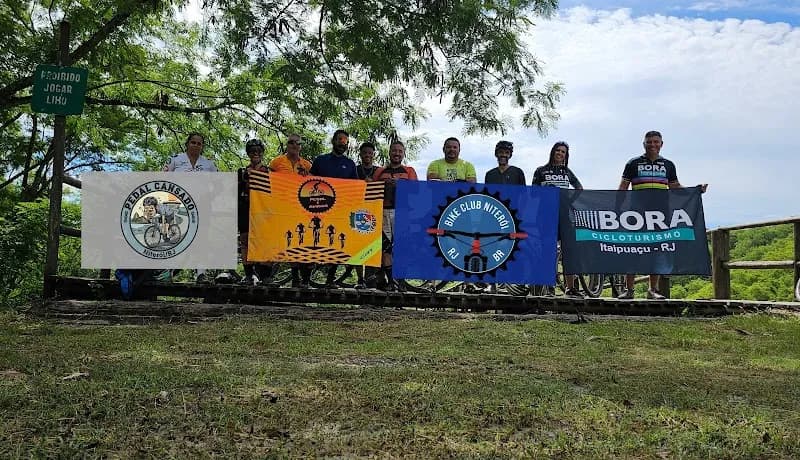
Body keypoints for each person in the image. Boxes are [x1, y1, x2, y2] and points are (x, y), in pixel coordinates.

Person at [617, 130, 708, 300]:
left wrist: (695, 191)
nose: (652, 145)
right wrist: (616, 209)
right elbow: (622, 188)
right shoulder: (633, 163)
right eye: (649, 142)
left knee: (656, 250)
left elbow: (675, 187)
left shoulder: (668, 165)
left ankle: (653, 290)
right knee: (631, 249)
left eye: (656, 142)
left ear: (661, 144)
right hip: (636, 215)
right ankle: (628, 290)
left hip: (660, 215)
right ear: (644, 144)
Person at [162, 132, 217, 284]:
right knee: (175, 236)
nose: (196, 145)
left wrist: (210, 196)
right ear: (187, 144)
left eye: (199, 143)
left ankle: (200, 274)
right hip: (178, 204)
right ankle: (169, 272)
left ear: (202, 147)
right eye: (193, 142)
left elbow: (219, 184)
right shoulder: (175, 159)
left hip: (202, 206)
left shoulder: (209, 164)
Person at [532, 141, 584, 297]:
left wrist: (569, 200)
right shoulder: (541, 170)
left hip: (564, 214)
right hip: (545, 215)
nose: (560, 154)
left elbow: (579, 188)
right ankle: (549, 288)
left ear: (566, 156)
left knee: (569, 250)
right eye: (558, 150)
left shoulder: (567, 172)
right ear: (552, 152)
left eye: (563, 152)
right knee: (548, 250)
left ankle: (570, 288)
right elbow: (533, 193)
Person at [310, 130, 358, 288]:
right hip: (319, 210)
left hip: (340, 212)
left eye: (345, 141)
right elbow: (307, 183)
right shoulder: (320, 161)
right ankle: (305, 279)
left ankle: (330, 280)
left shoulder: (350, 164)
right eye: (340, 140)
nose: (342, 143)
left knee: (337, 243)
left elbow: (356, 188)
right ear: (333, 141)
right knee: (314, 241)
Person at [373, 140, 418, 290]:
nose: (397, 153)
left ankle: (402, 281)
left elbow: (416, 191)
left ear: (404, 153)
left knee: (402, 247)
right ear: (389, 152)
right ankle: (391, 281)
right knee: (386, 248)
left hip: (402, 213)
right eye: (394, 150)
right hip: (383, 212)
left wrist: (400, 184)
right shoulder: (380, 171)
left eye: (400, 151)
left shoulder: (409, 171)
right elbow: (371, 190)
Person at [269, 134, 313, 288]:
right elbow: (267, 182)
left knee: (300, 242)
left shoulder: (307, 165)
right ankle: (279, 277)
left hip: (301, 209)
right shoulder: (276, 162)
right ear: (286, 145)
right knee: (285, 243)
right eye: (291, 142)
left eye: (297, 143)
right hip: (281, 208)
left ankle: (302, 279)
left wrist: (309, 176)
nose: (294, 145)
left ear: (301, 146)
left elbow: (313, 184)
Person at [237, 139, 270, 286]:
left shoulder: (269, 171)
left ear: (262, 153)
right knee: (245, 241)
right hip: (245, 208)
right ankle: (249, 275)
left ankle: (265, 276)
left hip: (263, 210)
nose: (255, 153)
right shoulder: (242, 171)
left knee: (264, 240)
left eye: (258, 151)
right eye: (252, 151)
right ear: (248, 154)